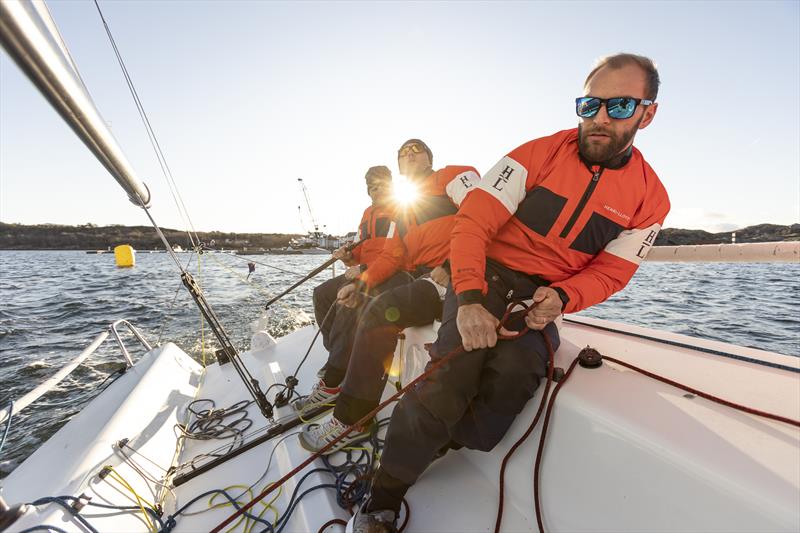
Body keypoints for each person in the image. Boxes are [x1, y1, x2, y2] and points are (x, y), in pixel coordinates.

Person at [350, 53, 671, 532]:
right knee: (451, 373)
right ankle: (386, 491)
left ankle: (436, 440)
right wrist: (471, 299)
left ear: (647, 113)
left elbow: (611, 271)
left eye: (620, 106)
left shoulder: (650, 198)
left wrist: (563, 297)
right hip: (485, 275)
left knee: (513, 383)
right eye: (590, 105)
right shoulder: (535, 155)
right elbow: (475, 222)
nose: (600, 118)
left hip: (544, 297)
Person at [297, 139, 480, 450]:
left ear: (429, 157)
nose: (409, 155)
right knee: (357, 300)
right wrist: (361, 281)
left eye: (416, 149)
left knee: (378, 309)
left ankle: (351, 415)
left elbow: (483, 212)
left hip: (455, 273)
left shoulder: (454, 176)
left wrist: (453, 263)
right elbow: (393, 255)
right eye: (402, 153)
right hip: (420, 277)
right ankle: (341, 379)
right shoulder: (404, 211)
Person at [309, 166, 395, 363]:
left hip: (385, 271)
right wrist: (346, 257)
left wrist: (364, 269)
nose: (377, 190)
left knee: (344, 296)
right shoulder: (367, 214)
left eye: (381, 185)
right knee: (321, 294)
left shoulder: (402, 209)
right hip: (361, 271)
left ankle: (340, 365)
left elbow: (399, 252)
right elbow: (357, 253)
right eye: (372, 187)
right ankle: (336, 356)